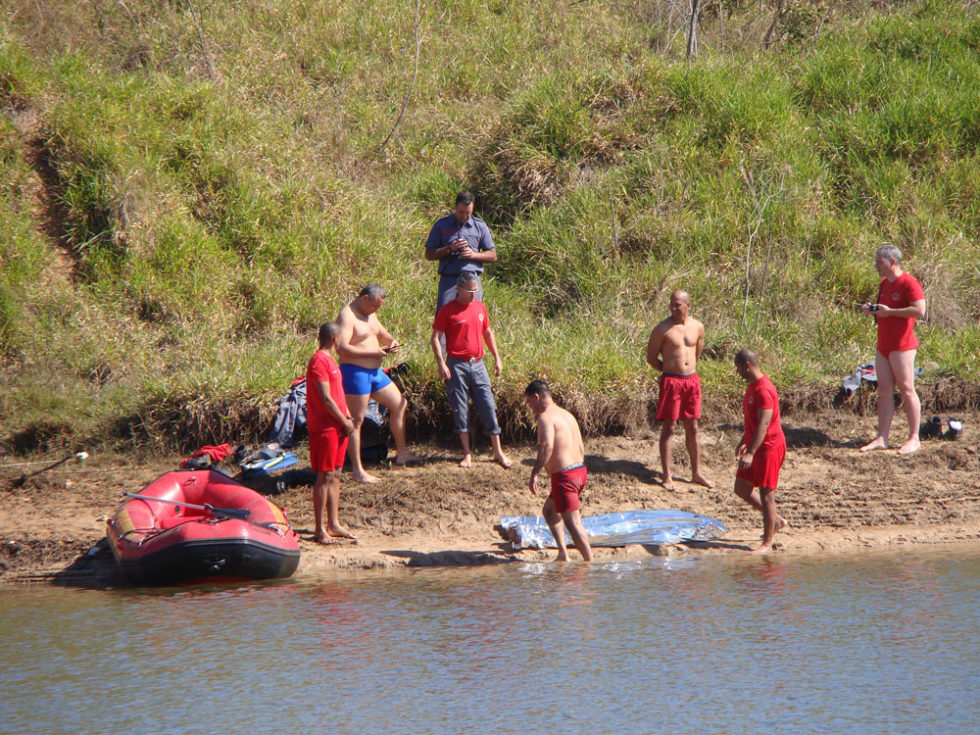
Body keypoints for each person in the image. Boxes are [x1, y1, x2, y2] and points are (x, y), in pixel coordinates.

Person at [336, 284, 422, 483]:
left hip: (375, 373)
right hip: (355, 373)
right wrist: (373, 353)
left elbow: (383, 335)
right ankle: (357, 470)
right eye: (375, 305)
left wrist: (392, 343)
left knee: (400, 403)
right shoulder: (347, 316)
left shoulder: (371, 315)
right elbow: (341, 348)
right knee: (356, 421)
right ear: (364, 298)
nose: (376, 309)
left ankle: (402, 454)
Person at [431, 273, 511, 469]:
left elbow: (488, 333)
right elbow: (435, 338)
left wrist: (497, 358)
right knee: (460, 407)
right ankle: (467, 454)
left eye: (476, 291)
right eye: (469, 291)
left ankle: (498, 452)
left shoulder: (479, 307)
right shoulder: (447, 310)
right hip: (456, 364)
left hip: (478, 364)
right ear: (459, 289)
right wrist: (441, 363)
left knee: (488, 404)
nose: (473, 295)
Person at [858, 243, 926, 456]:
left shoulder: (909, 282)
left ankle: (914, 438)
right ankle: (882, 437)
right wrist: (873, 310)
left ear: (892, 262)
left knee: (906, 389)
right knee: (885, 392)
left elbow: (920, 311)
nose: (876, 265)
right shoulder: (884, 283)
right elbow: (885, 311)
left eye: (880, 261)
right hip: (884, 345)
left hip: (902, 345)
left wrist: (891, 312)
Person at [645, 289, 713, 491]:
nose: (673, 308)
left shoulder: (697, 327)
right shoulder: (662, 329)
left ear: (687, 305)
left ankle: (696, 473)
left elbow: (697, 351)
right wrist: (667, 371)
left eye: (678, 305)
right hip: (672, 382)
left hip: (691, 381)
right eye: (671, 304)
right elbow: (651, 358)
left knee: (692, 427)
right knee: (670, 428)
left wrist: (687, 369)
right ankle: (667, 476)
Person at [525, 380, 593, 562]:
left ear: (536, 396)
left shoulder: (545, 418)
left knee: (573, 523)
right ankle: (563, 554)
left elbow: (546, 447)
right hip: (579, 471)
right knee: (549, 510)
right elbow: (580, 447)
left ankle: (590, 563)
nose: (530, 407)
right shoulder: (566, 415)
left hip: (566, 476)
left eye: (529, 402)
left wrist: (535, 474)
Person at [733, 349, 788, 554]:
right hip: (756, 445)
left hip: (769, 447)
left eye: (738, 368)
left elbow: (764, 424)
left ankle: (767, 542)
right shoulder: (752, 387)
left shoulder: (763, 389)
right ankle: (776, 521)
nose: (737, 372)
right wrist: (743, 441)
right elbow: (753, 422)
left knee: (766, 494)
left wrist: (751, 452)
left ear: (747, 365)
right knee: (741, 488)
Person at [306, 322, 356, 543]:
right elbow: (325, 398)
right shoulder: (319, 361)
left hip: (338, 426)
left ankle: (333, 523)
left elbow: (337, 395)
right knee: (324, 476)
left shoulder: (331, 360)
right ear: (334, 339)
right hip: (325, 427)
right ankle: (319, 529)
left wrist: (348, 417)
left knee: (335, 474)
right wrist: (343, 420)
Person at [424, 191, 497, 312]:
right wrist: (449, 249)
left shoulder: (480, 226)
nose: (464, 216)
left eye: (468, 213)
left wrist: (473, 255)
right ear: (455, 207)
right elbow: (429, 254)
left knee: (473, 317)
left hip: (472, 280)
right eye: (461, 212)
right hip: (449, 280)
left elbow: (493, 255)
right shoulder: (441, 225)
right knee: (445, 316)